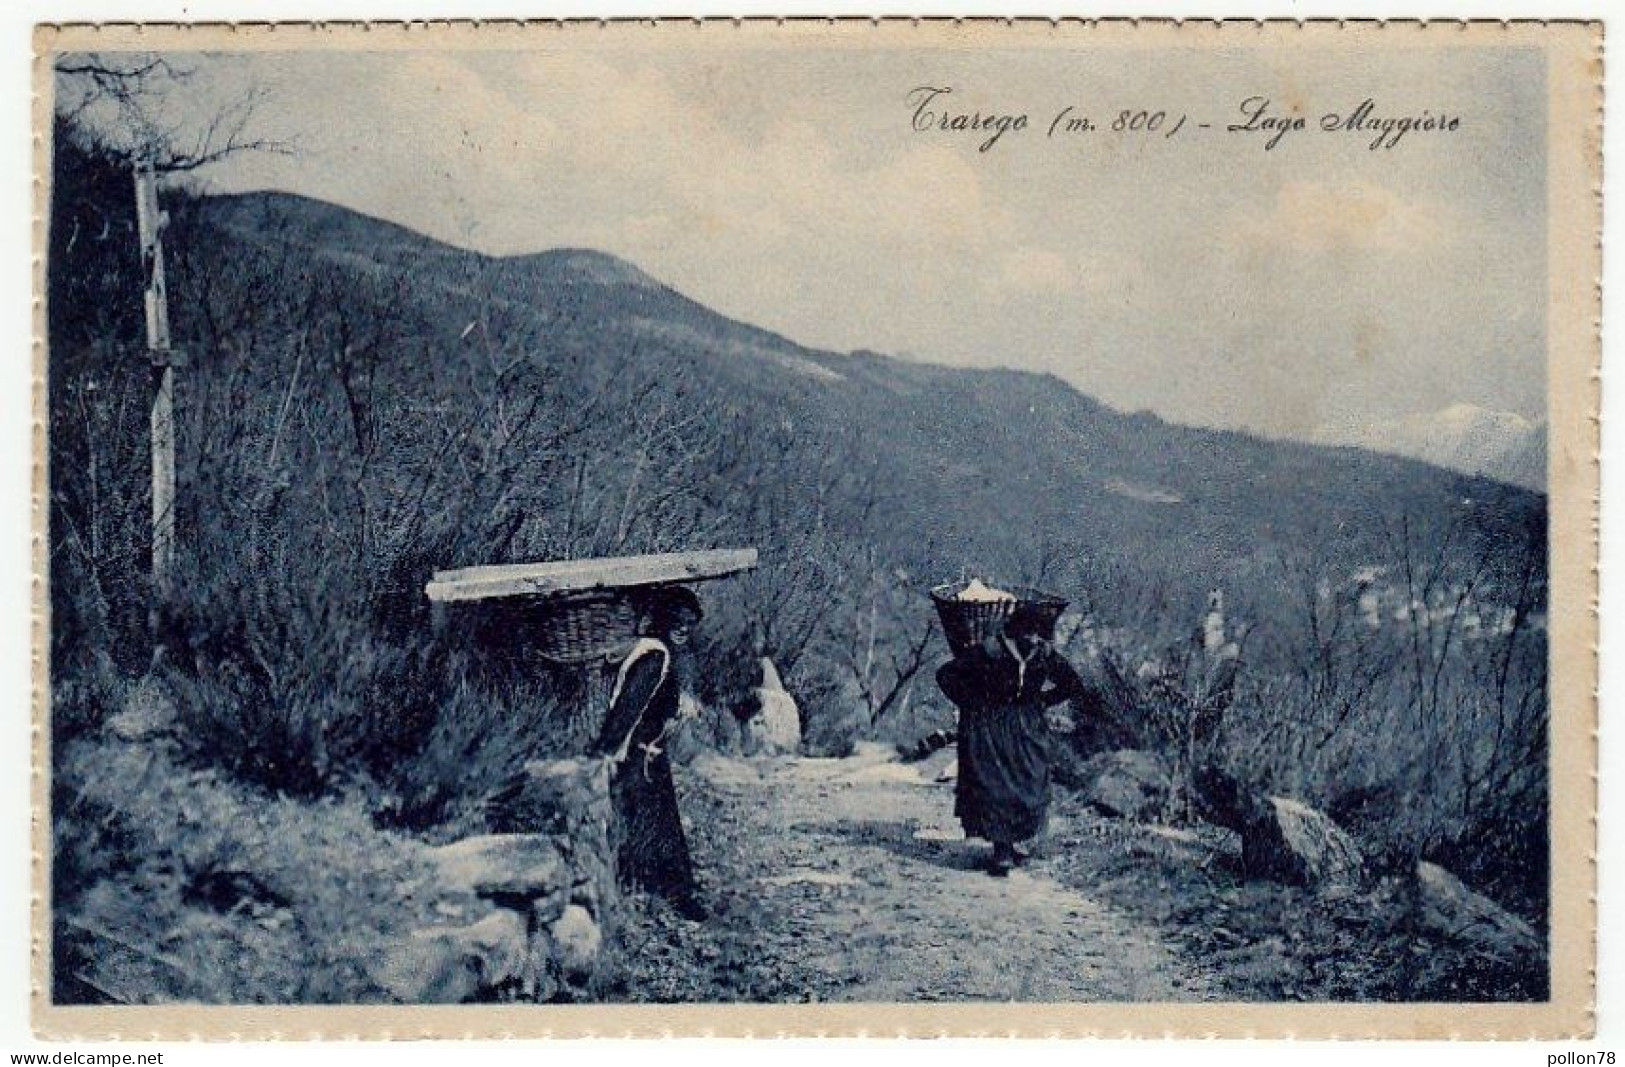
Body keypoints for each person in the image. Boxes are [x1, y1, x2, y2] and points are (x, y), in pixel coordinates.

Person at [935, 606, 1092, 877]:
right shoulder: (988, 651)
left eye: (1039, 635)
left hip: (1027, 728)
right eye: (1029, 633)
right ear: (1015, 630)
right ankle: (1002, 849)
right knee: (995, 785)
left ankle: (1015, 840)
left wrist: (1042, 701)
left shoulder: (1043, 655)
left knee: (1029, 781)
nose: (1033, 639)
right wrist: (971, 703)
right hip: (989, 727)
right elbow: (946, 675)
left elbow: (1072, 683)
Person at [590, 586, 708, 920]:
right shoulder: (656, 655)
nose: (684, 629)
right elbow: (628, 710)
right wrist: (605, 753)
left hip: (648, 755)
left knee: (653, 826)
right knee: (652, 826)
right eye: (677, 621)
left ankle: (660, 893)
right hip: (639, 758)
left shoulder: (652, 651)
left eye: (690, 623)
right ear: (662, 620)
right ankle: (671, 897)